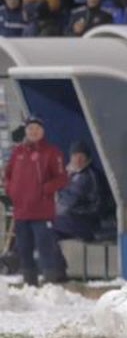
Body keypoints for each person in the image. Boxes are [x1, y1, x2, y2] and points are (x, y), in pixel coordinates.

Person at [2, 116, 67, 286]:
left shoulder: (52, 152)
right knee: (24, 249)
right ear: (26, 131)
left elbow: (61, 178)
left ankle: (50, 283)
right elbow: (7, 175)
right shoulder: (18, 152)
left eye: (37, 129)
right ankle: (29, 282)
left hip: (42, 212)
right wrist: (11, 190)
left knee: (45, 247)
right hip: (21, 211)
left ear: (42, 131)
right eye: (30, 129)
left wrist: (45, 189)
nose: (33, 132)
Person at [52, 141, 104, 242]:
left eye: (81, 156)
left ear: (87, 157)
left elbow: (69, 202)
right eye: (75, 156)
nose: (77, 159)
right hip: (76, 219)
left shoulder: (87, 176)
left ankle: (17, 253)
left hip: (87, 223)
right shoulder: (76, 174)